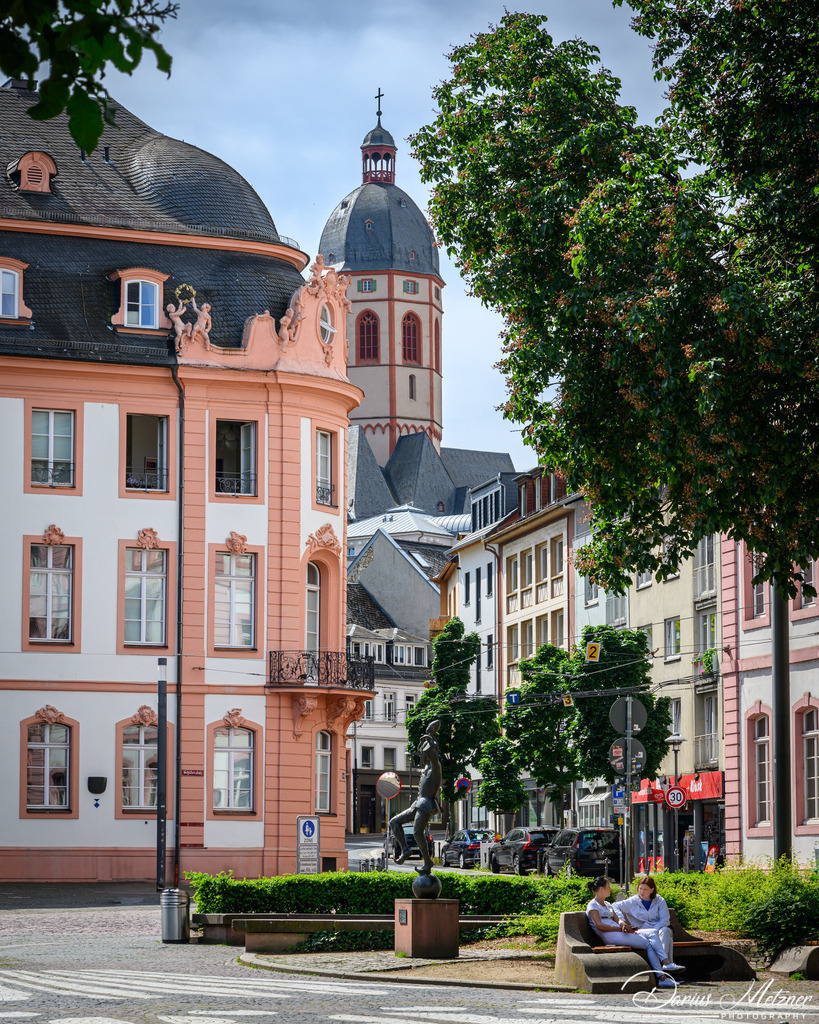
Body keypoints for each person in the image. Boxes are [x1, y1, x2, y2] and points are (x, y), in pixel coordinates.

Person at [585, 876, 683, 988]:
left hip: (620, 932)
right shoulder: (592, 905)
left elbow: (618, 920)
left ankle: (666, 964)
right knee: (648, 944)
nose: (610, 889)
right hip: (610, 935)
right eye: (608, 887)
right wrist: (620, 928)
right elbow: (599, 925)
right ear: (601, 889)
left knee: (652, 933)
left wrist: (624, 925)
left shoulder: (607, 904)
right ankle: (663, 975)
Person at [389, 720, 442, 872]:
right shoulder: (425, 769)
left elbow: (432, 754)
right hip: (418, 804)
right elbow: (422, 757)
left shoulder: (436, 768)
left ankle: (427, 862)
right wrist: (424, 741)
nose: (424, 755)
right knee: (394, 822)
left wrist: (430, 739)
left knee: (417, 832)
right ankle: (405, 850)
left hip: (426, 804)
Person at [617, 875, 684, 969]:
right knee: (665, 938)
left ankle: (664, 966)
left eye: (645, 889)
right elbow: (615, 906)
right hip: (641, 931)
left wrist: (655, 930)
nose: (642, 892)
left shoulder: (659, 900)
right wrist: (622, 921)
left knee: (666, 931)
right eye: (640, 888)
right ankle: (666, 966)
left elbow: (665, 920)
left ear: (652, 890)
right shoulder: (632, 901)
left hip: (658, 929)